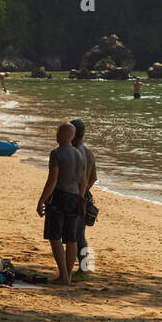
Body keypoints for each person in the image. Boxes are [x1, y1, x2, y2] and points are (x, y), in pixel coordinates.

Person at [36, 122, 86, 287]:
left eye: (58, 132)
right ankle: (68, 276)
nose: (56, 135)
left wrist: (42, 200)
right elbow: (83, 181)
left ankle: (63, 275)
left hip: (59, 197)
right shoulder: (80, 155)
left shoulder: (56, 153)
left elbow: (52, 180)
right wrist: (81, 198)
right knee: (71, 237)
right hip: (75, 197)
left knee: (55, 236)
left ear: (63, 135)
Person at [69, 118, 97, 280]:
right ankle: (86, 267)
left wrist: (77, 193)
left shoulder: (75, 151)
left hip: (76, 195)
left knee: (77, 235)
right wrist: (85, 191)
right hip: (85, 195)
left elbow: (76, 176)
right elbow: (93, 178)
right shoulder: (89, 152)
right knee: (81, 234)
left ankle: (84, 269)